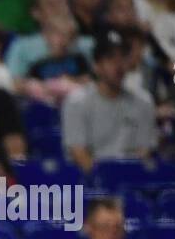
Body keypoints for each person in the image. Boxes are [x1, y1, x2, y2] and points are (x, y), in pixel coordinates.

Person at [61, 28, 158, 172]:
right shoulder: (77, 102)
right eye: (110, 58)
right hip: (93, 183)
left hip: (131, 180)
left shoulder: (143, 101)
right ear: (96, 66)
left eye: (123, 57)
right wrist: (107, 181)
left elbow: (144, 150)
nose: (118, 64)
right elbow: (79, 153)